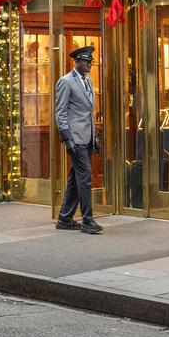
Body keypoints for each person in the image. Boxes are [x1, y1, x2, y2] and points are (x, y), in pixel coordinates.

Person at [55, 45, 103, 235]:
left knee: (75, 179)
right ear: (77, 62)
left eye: (90, 61)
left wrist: (95, 135)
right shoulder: (66, 82)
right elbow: (60, 113)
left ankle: (65, 219)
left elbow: (88, 112)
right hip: (75, 138)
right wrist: (67, 138)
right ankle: (87, 220)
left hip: (87, 138)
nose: (89, 64)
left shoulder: (88, 81)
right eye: (85, 61)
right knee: (85, 177)